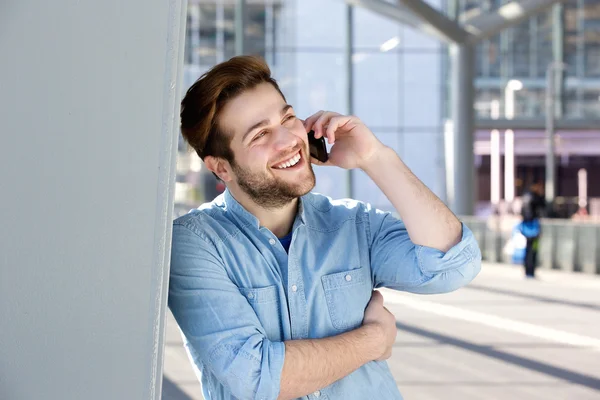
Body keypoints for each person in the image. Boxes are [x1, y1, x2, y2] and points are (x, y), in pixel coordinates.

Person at [169, 55, 482, 400]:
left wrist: (375, 158)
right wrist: (374, 339)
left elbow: (454, 265)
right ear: (221, 168)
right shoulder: (195, 244)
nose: (288, 139)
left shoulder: (353, 224)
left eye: (287, 118)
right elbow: (257, 379)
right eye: (260, 135)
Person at [519, 183, 544, 278]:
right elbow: (543, 206)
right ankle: (531, 270)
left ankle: (527, 270)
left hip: (526, 226)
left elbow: (522, 212)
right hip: (533, 227)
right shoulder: (535, 197)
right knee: (533, 249)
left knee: (528, 248)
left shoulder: (525, 197)